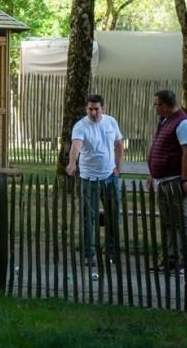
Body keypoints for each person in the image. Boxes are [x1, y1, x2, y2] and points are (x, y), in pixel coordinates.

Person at [66, 94, 123, 278]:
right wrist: (72, 163)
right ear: (86, 109)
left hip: (109, 177)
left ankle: (112, 252)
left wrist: (118, 167)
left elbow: (119, 145)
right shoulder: (81, 126)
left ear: (103, 109)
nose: (93, 112)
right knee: (88, 217)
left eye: (96, 109)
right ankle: (88, 253)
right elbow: (76, 146)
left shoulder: (111, 122)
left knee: (113, 215)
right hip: (88, 178)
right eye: (90, 109)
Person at [146, 90, 187, 274]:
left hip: (175, 179)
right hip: (162, 180)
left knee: (180, 222)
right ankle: (170, 260)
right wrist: (152, 172)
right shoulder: (165, 121)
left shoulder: (182, 122)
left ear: (165, 105)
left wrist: (184, 178)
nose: (155, 108)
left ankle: (184, 262)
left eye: (156, 104)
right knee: (167, 222)